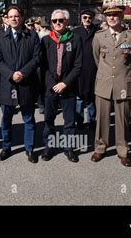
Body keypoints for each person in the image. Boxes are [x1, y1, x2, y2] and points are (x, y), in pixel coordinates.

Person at [91, 3, 131, 167]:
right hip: (104, 83)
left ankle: (123, 151)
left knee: (122, 120)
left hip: (123, 83)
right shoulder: (99, 36)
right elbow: (97, 59)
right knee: (102, 119)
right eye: (109, 15)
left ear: (122, 17)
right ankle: (100, 148)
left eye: (116, 15)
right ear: (106, 17)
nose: (112, 18)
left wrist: (125, 75)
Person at [0, 6, 41, 163]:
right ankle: (6, 147)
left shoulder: (32, 36)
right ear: (6, 19)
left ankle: (29, 149)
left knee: (28, 119)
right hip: (8, 84)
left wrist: (23, 73)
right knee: (6, 119)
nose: (14, 19)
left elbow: (36, 58)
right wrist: (11, 74)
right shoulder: (0, 36)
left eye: (16, 16)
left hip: (26, 84)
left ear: (21, 17)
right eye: (10, 16)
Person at [40, 9, 83, 162]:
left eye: (61, 20)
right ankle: (49, 147)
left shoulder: (75, 39)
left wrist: (65, 83)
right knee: (49, 119)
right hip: (51, 87)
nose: (58, 23)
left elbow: (78, 65)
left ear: (67, 22)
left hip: (68, 86)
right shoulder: (46, 40)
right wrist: (53, 84)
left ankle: (69, 148)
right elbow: (43, 66)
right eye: (54, 21)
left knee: (69, 120)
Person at [74, 9, 98, 130]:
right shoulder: (75, 32)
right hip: (79, 70)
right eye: (85, 17)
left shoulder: (98, 31)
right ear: (81, 18)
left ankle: (92, 121)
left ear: (93, 18)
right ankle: (79, 122)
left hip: (94, 69)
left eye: (90, 17)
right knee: (79, 98)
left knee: (91, 98)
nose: (87, 20)